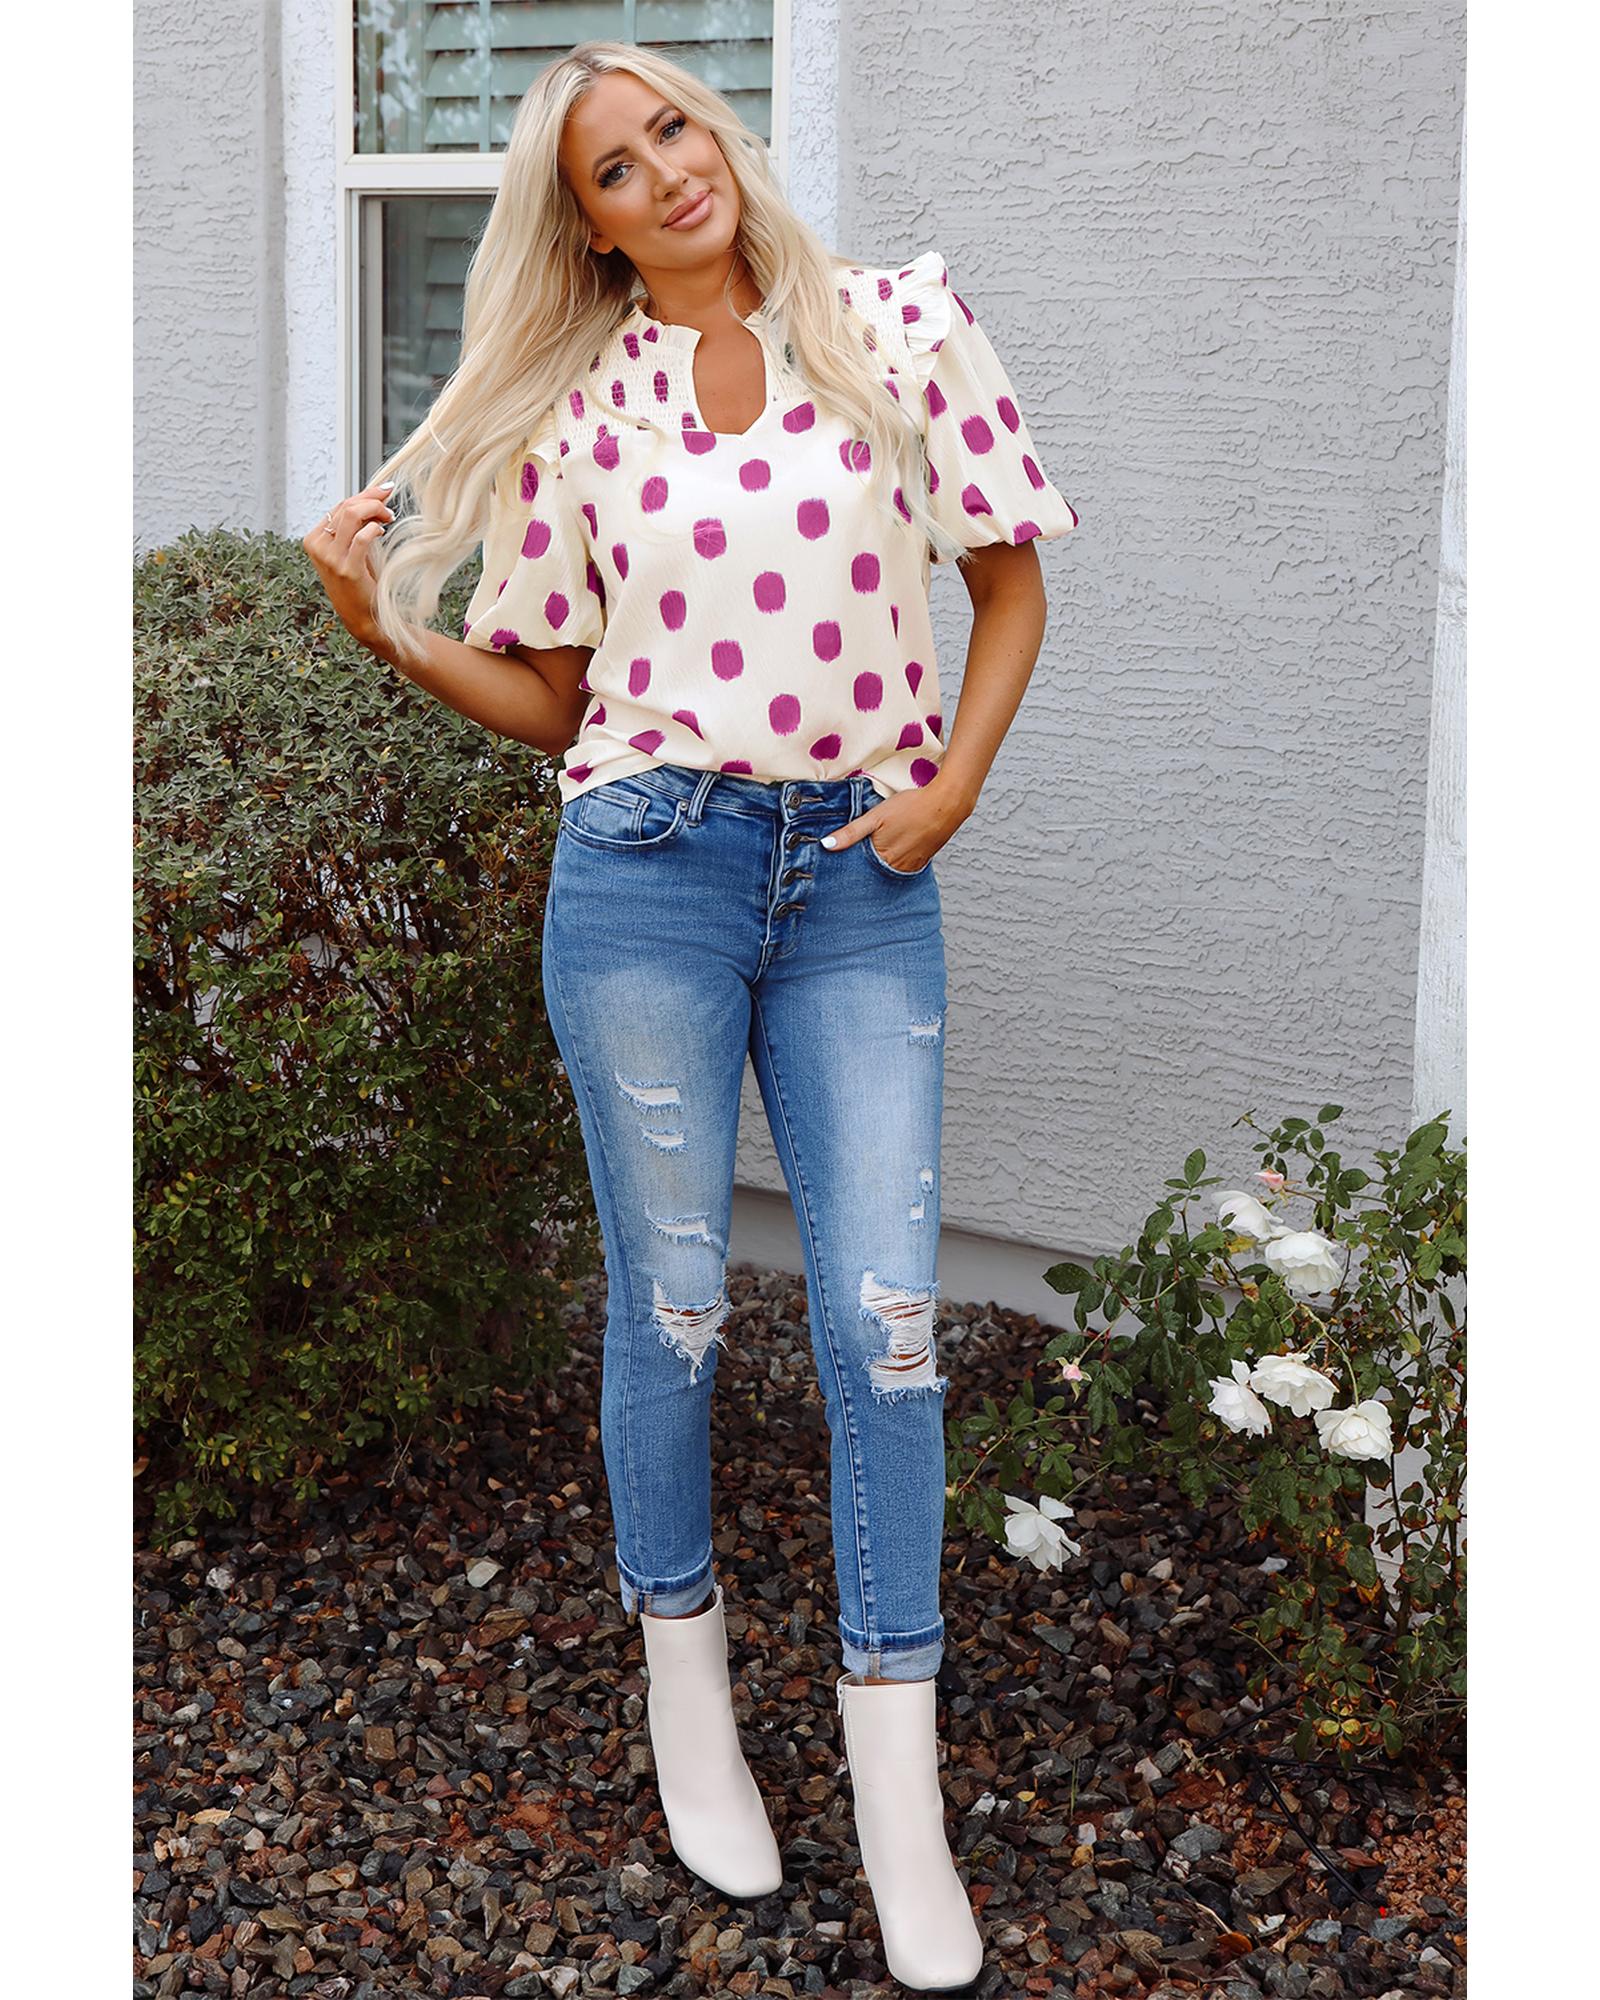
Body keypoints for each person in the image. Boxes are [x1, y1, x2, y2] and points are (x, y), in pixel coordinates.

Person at [304, 38, 1078, 1994]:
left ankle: (899, 1807)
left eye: (673, 126)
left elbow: (1005, 588)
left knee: (884, 1327)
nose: (666, 170)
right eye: (617, 166)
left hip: (860, 881)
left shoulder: (896, 326)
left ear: (718, 132)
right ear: (588, 224)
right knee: (670, 1303)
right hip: (645, 869)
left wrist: (950, 789)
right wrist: (391, 632)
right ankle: (689, 1705)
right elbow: (560, 701)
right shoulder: (583, 408)